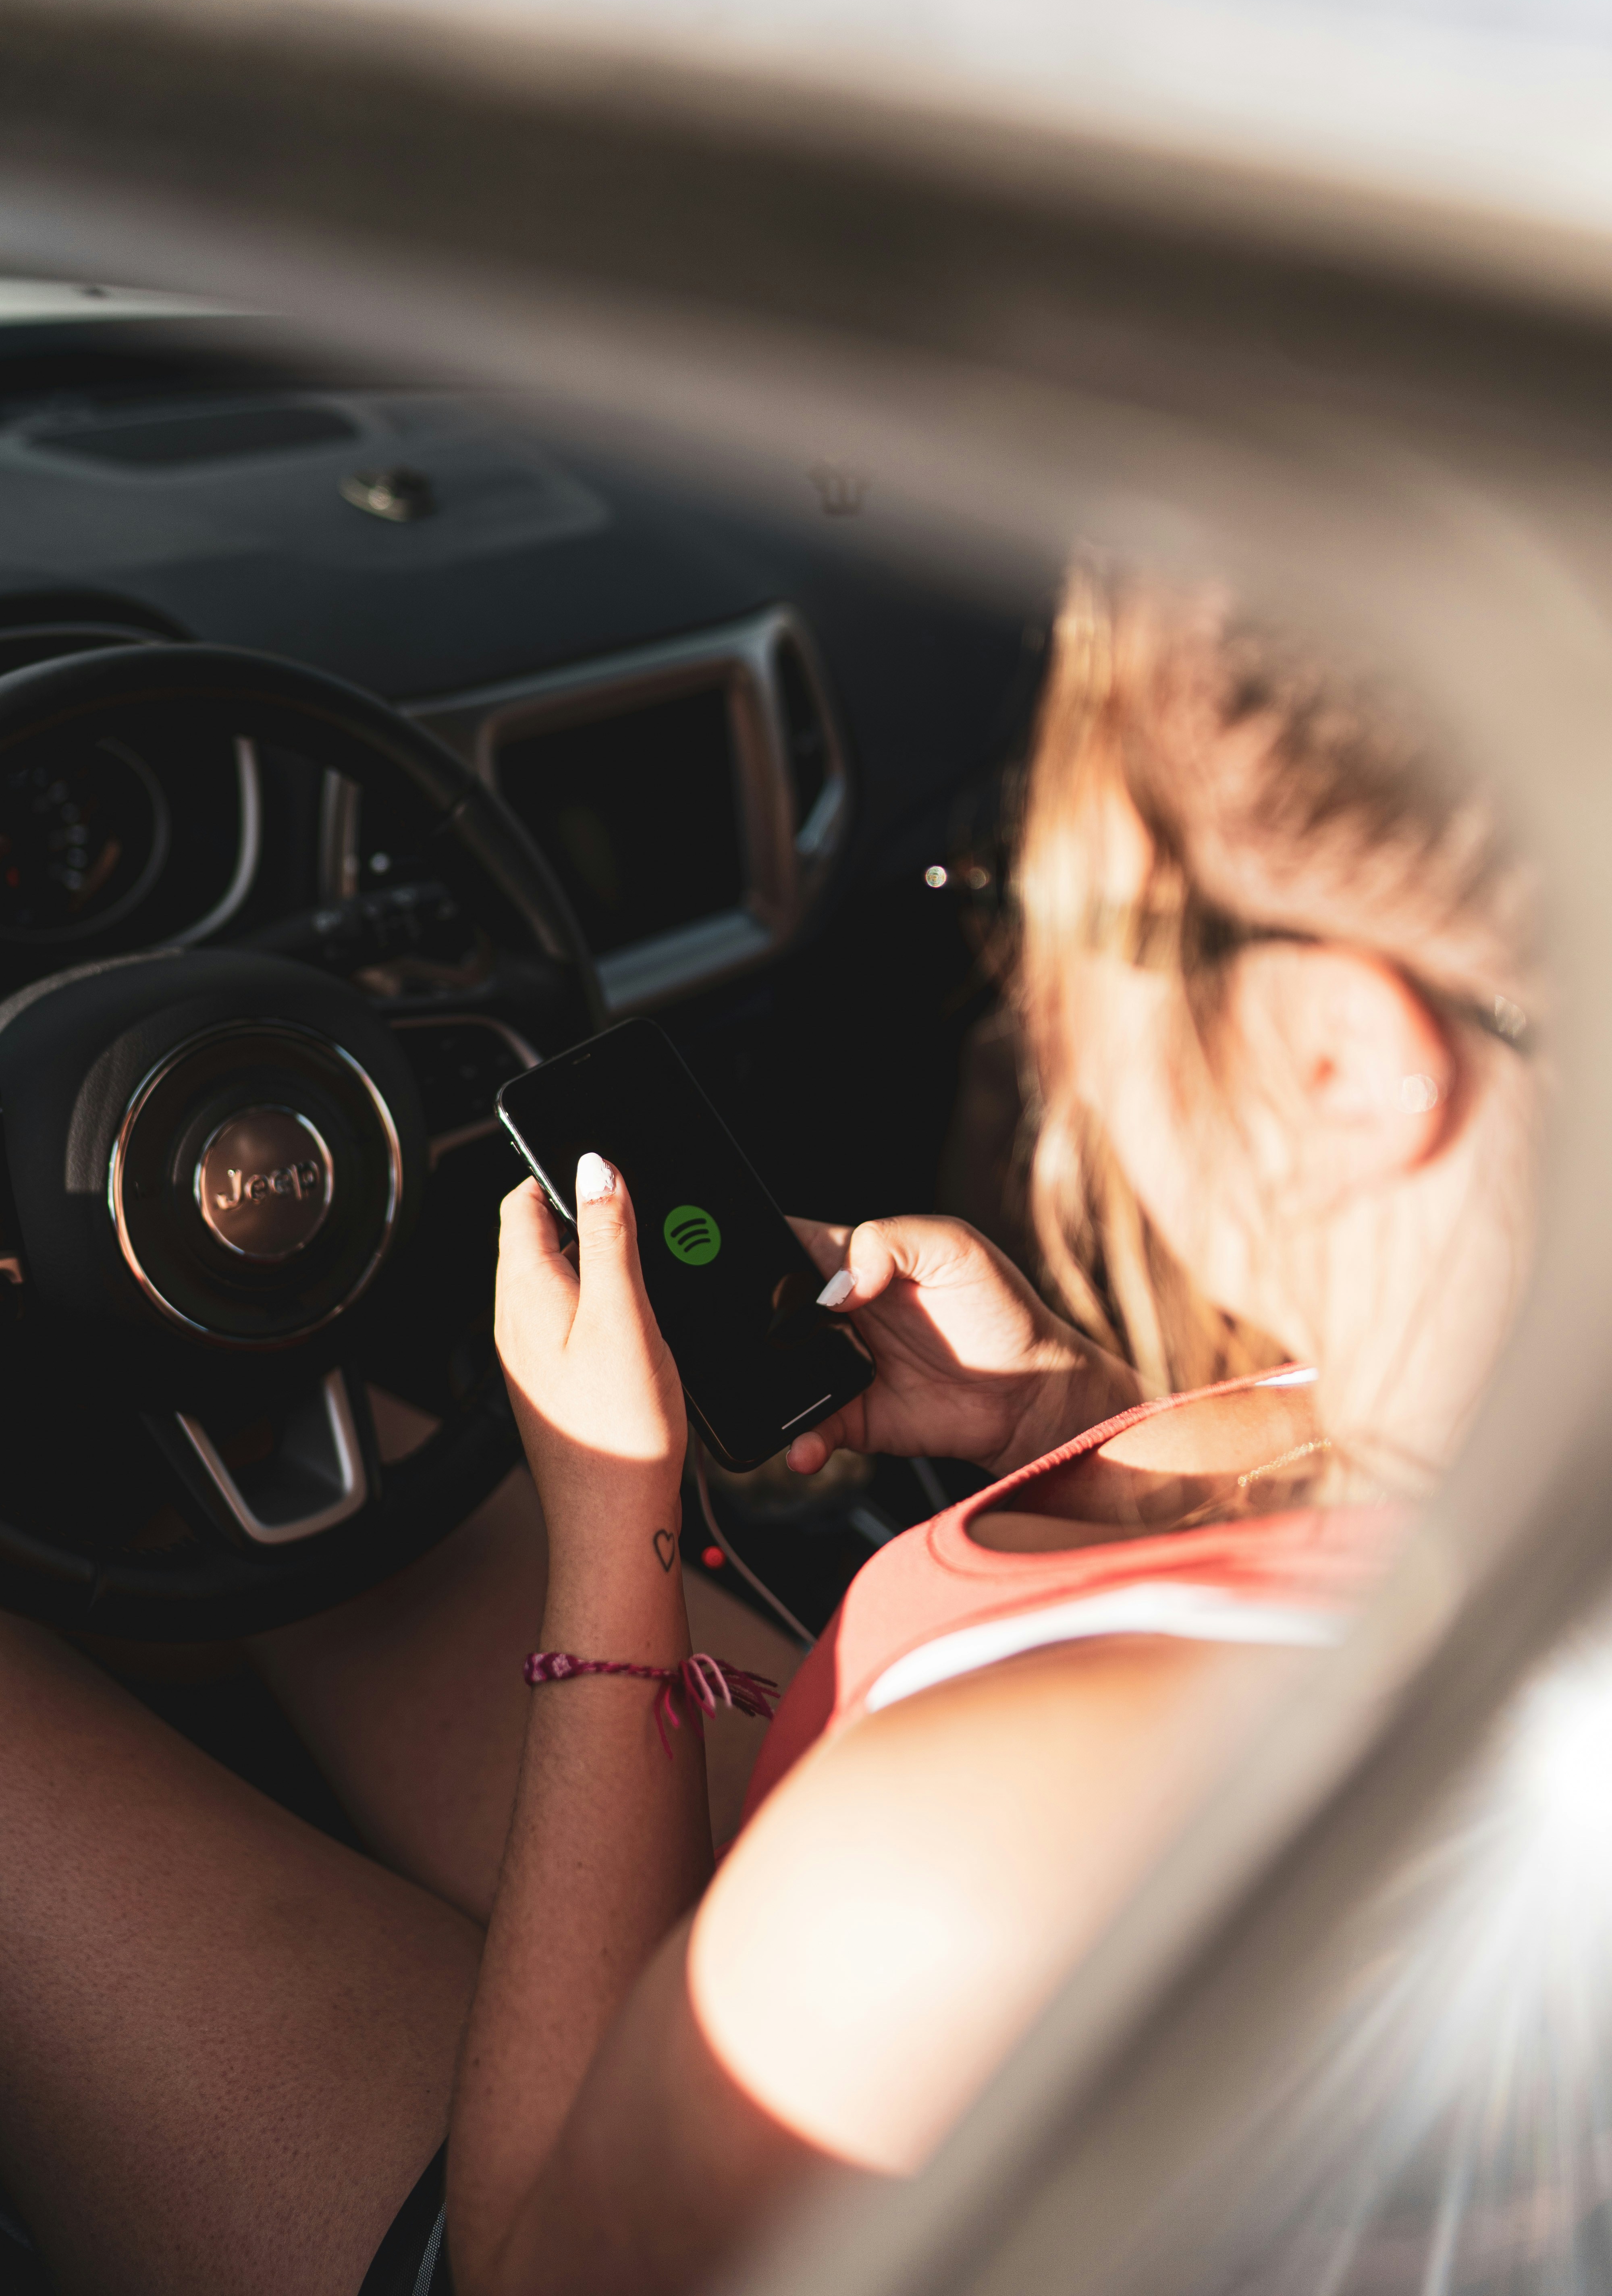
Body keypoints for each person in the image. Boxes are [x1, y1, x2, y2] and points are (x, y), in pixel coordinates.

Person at [0, 570, 1536, 2296]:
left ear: (1344, 1056)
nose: (1048, 1017)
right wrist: (1078, 1430)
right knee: (316, 1498)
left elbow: (536, 2268)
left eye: (1065, 928)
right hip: (875, 1975)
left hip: (670, 2167)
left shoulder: (959, 1871)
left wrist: (611, 1536)